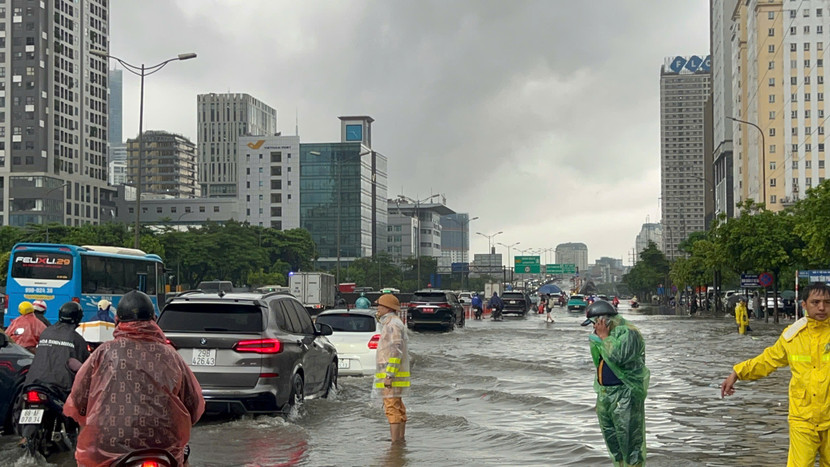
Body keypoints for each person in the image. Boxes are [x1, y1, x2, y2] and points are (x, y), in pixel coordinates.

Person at [64, 290, 205, 467]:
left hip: (109, 447)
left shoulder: (103, 353)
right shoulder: (171, 355)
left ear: (117, 321)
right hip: (165, 448)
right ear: (154, 320)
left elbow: (78, 401)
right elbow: (194, 405)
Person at [721, 282, 830, 465]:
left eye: (827, 302)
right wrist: (737, 372)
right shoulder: (792, 335)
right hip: (802, 419)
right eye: (815, 302)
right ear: (804, 305)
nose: (822, 307)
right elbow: (768, 360)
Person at [581, 300, 649, 466]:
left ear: (604, 321)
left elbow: (617, 357)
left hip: (625, 396)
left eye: (595, 324)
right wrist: (600, 397)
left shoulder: (629, 334)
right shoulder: (606, 337)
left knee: (630, 444)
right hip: (607, 396)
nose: (594, 329)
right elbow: (601, 365)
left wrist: (603, 336)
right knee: (614, 444)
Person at [23, 301, 90, 400]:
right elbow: (85, 366)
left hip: (33, 382)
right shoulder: (76, 339)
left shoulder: (46, 332)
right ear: (78, 318)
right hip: (61, 387)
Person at [372, 293, 410, 444]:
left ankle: (395, 444)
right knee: (397, 406)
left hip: (391, 374)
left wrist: (389, 374)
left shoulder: (392, 325)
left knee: (391, 407)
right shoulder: (393, 322)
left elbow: (395, 350)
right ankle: (399, 440)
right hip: (395, 373)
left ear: (387, 308)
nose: (378, 309)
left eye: (380, 306)